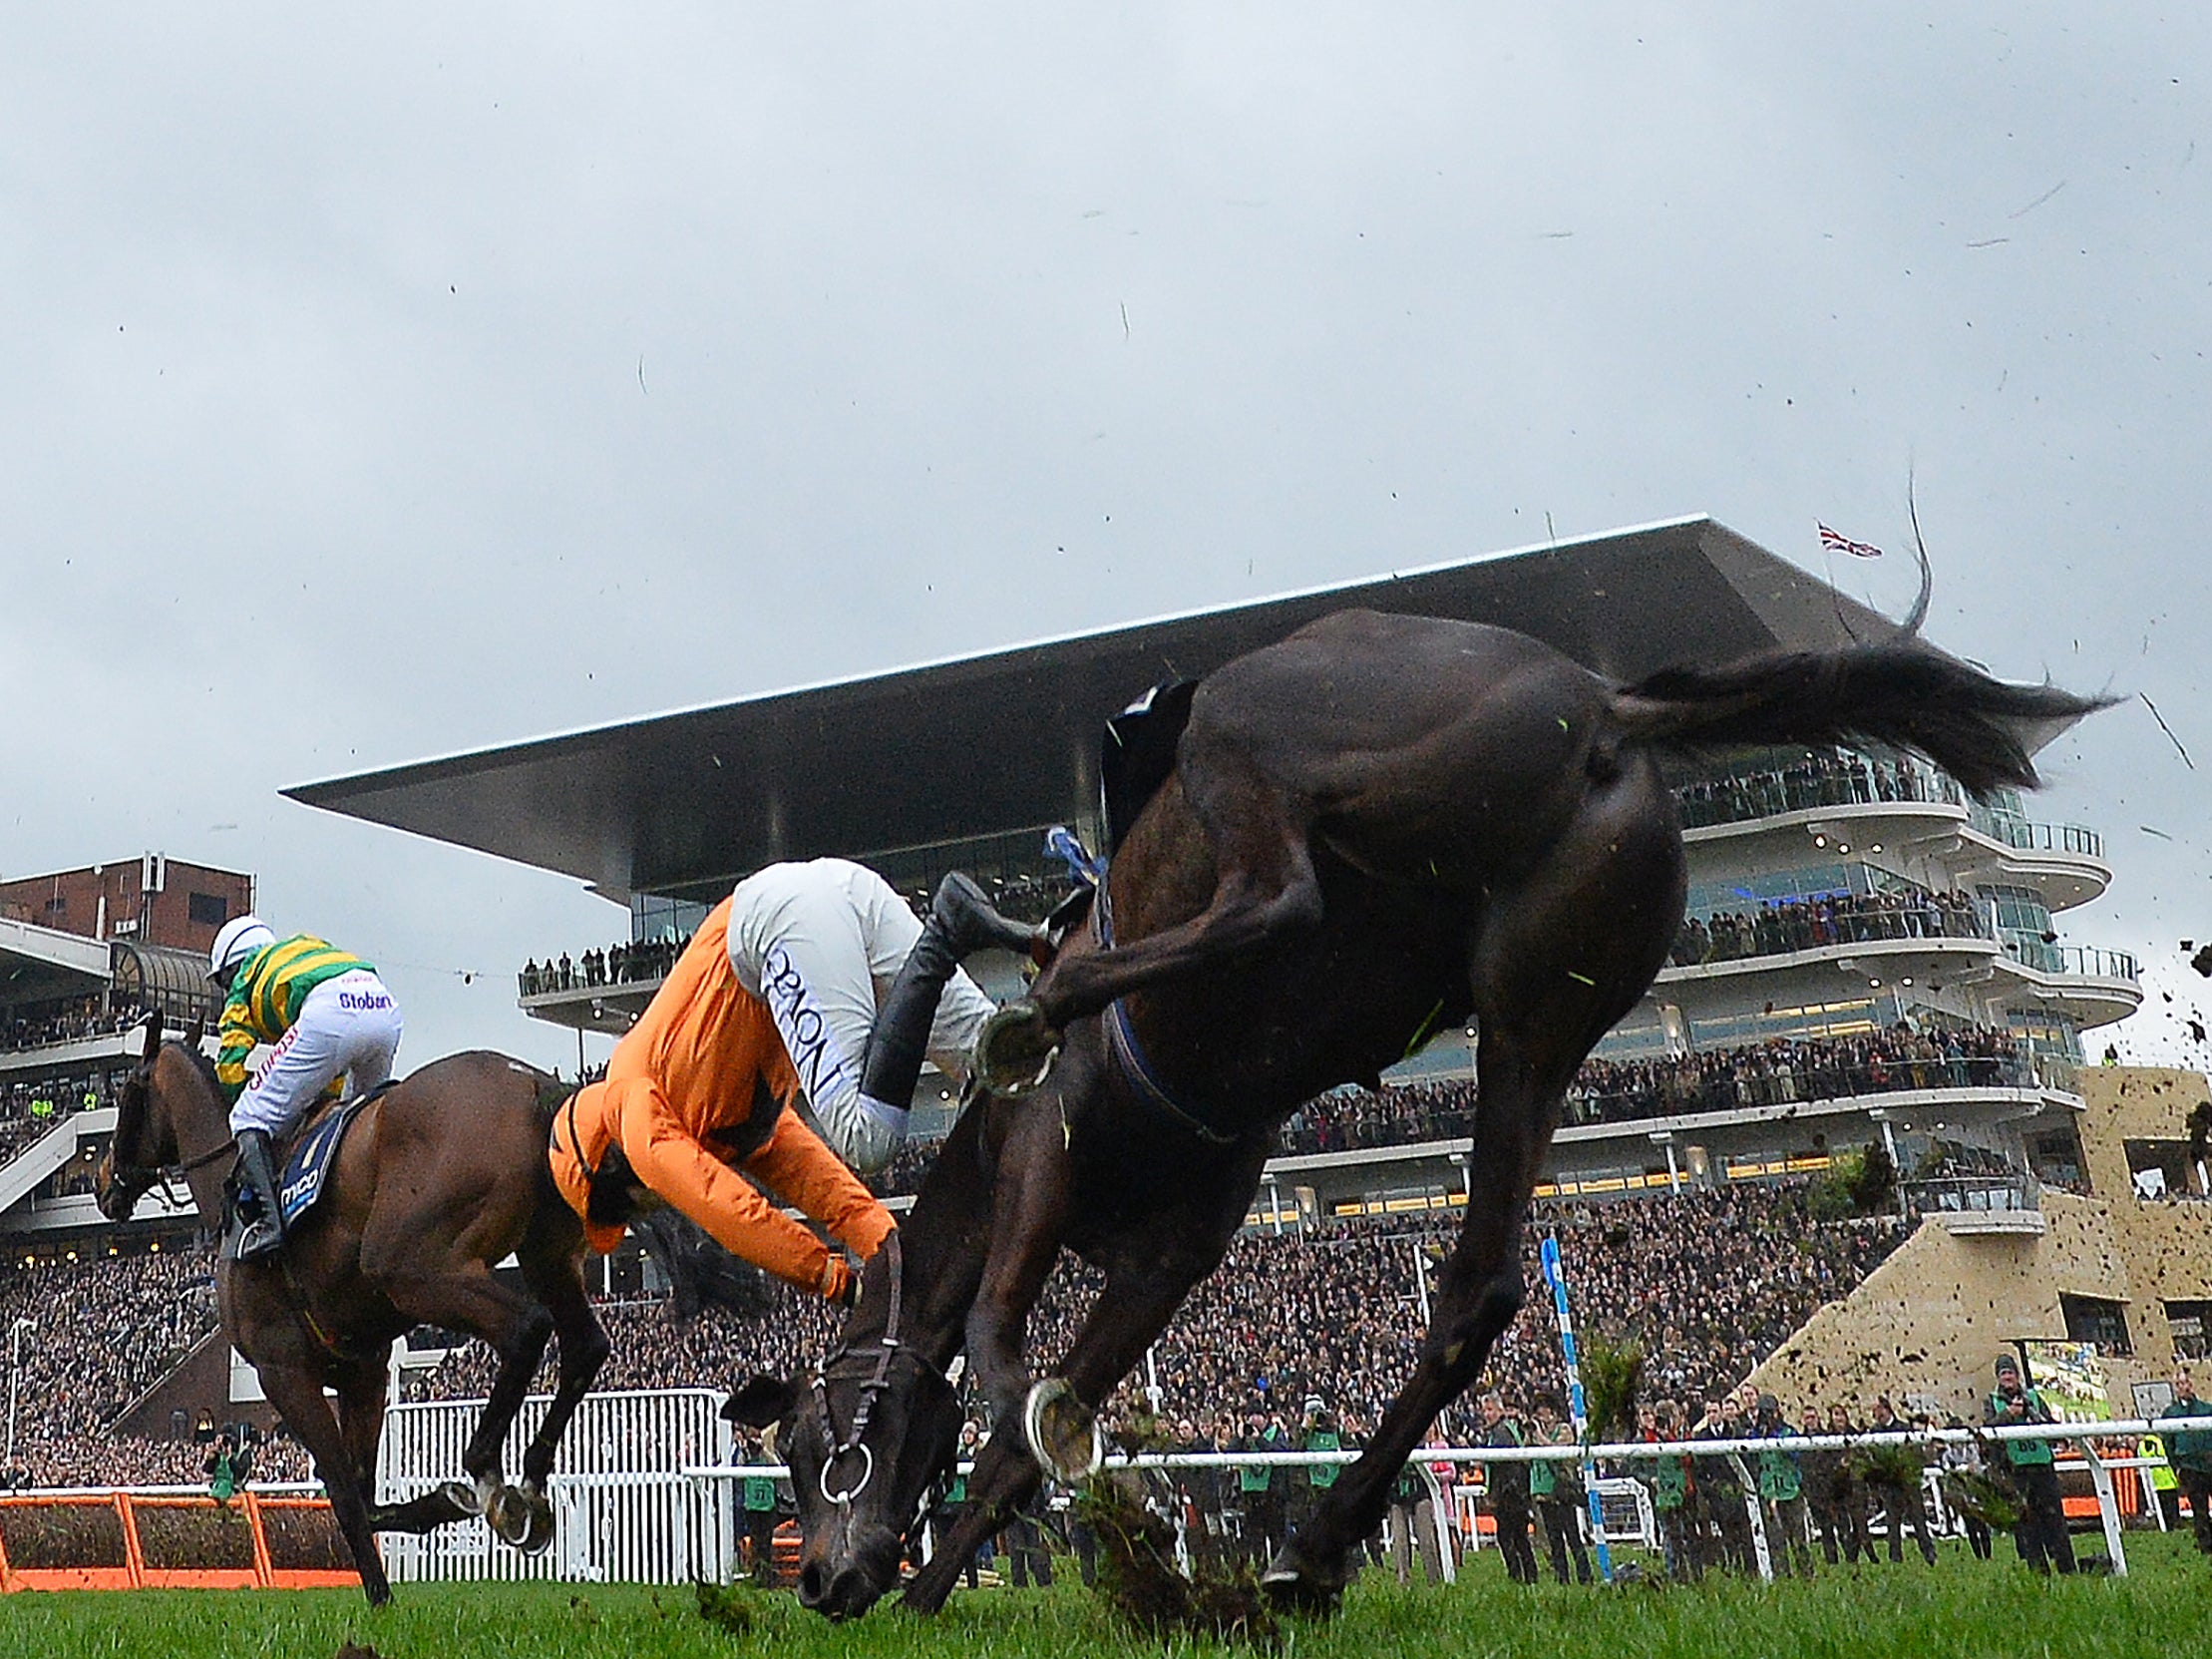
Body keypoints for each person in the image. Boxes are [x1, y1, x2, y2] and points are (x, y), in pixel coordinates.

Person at [723, 859, 1037, 1173]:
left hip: (777, 913)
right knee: (1000, 1061)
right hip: (840, 883)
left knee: (866, 1137)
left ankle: (941, 938)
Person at [208, 916, 403, 1259]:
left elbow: (229, 1066)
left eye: (223, 983)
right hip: (383, 1006)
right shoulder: (302, 945)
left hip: (330, 1012)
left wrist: (247, 1110)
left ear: (230, 970)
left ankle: (270, 1227)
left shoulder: (244, 979)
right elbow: (329, 1070)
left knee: (246, 1115)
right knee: (359, 1124)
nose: (227, 991)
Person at [1986, 1354, 2075, 1574]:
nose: (2007, 1378)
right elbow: (1988, 1430)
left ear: (2017, 1376)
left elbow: (2050, 1426)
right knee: (2028, 1526)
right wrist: (2008, 1414)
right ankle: (2039, 1573)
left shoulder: (2034, 1398)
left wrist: (2030, 1414)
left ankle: (2068, 1570)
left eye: (2010, 1373)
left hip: (2043, 1468)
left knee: (2056, 1522)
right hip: (2015, 1471)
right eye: (2003, 1374)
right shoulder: (1992, 1402)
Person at [1863, 1395, 1937, 1566]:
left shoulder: (1905, 1428)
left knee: (1918, 1520)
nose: (1876, 1414)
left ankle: (1929, 1554)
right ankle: (1895, 1559)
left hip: (1908, 1482)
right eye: (1874, 1411)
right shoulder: (1874, 1432)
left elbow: (1916, 1453)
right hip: (1889, 1483)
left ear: (1886, 1408)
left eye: (1878, 1409)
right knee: (1892, 1523)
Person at [1529, 1401, 1592, 1584]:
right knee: (1554, 1539)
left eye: (1545, 1413)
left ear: (1555, 1414)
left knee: (1572, 1537)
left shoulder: (1563, 1430)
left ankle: (1584, 1576)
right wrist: (1530, 1433)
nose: (1542, 1417)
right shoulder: (1535, 1434)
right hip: (1543, 1492)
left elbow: (1557, 1451)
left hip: (1561, 1492)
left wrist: (1541, 1437)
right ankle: (1562, 1577)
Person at [1753, 1394, 1816, 1577]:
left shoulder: (1788, 1432)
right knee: (1775, 1540)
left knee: (1798, 1538)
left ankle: (1807, 1575)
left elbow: (1797, 1456)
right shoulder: (1756, 1434)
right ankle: (1782, 1576)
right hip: (1769, 1492)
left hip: (1790, 1491)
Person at [1479, 1393, 1538, 1585]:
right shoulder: (1503, 1429)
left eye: (1490, 1410)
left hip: (1510, 1493)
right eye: (1485, 1410)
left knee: (1510, 1537)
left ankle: (1520, 1575)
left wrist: (1496, 1494)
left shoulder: (1502, 1431)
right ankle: (1528, 1575)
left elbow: (1501, 1464)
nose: (1487, 1414)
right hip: (1512, 1492)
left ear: (1500, 1410)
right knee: (1517, 1537)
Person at [2156, 1364, 2212, 1557]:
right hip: (2189, 1467)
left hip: (2209, 1463)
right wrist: (2176, 1467)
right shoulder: (2170, 1413)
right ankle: (2206, 1546)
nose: (2183, 1387)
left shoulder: (2207, 1409)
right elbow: (2168, 1442)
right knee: (2199, 1508)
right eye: (2179, 1384)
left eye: (2186, 1383)